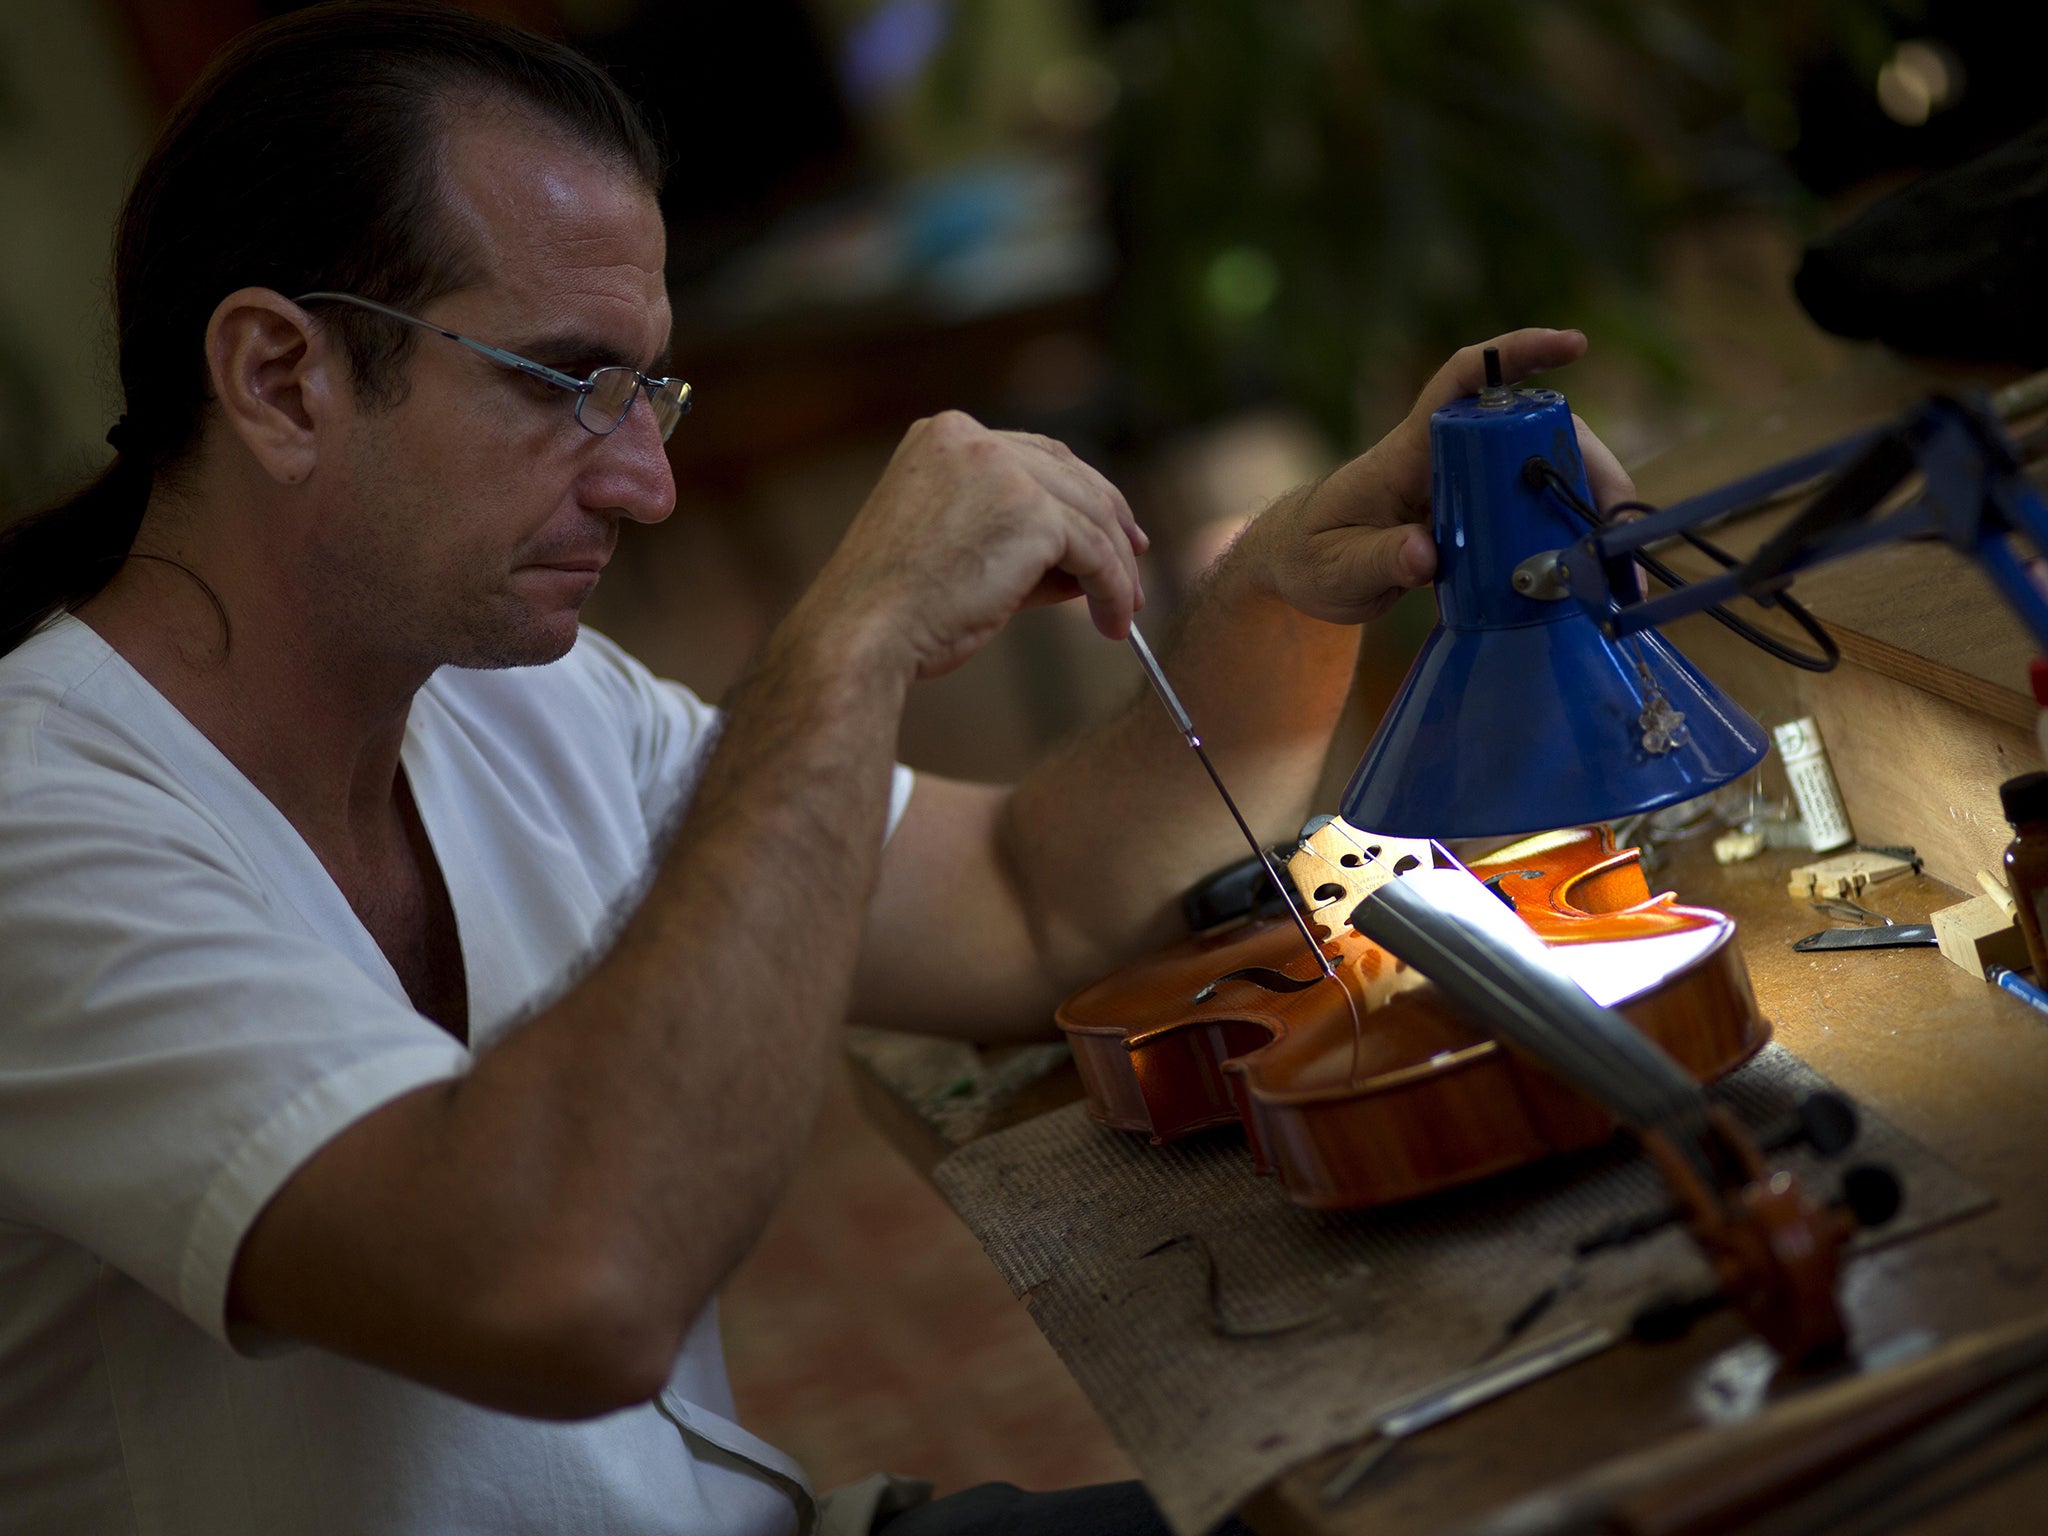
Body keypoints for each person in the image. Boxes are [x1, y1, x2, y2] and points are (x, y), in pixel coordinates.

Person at [0, 5, 1631, 1534]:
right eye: (569, 382)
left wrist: (1286, 582)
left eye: (651, 391)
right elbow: (567, 1286)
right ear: (281, 378)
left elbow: (1028, 899)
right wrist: (846, 645)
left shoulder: (502, 698)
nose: (644, 484)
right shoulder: (41, 831)